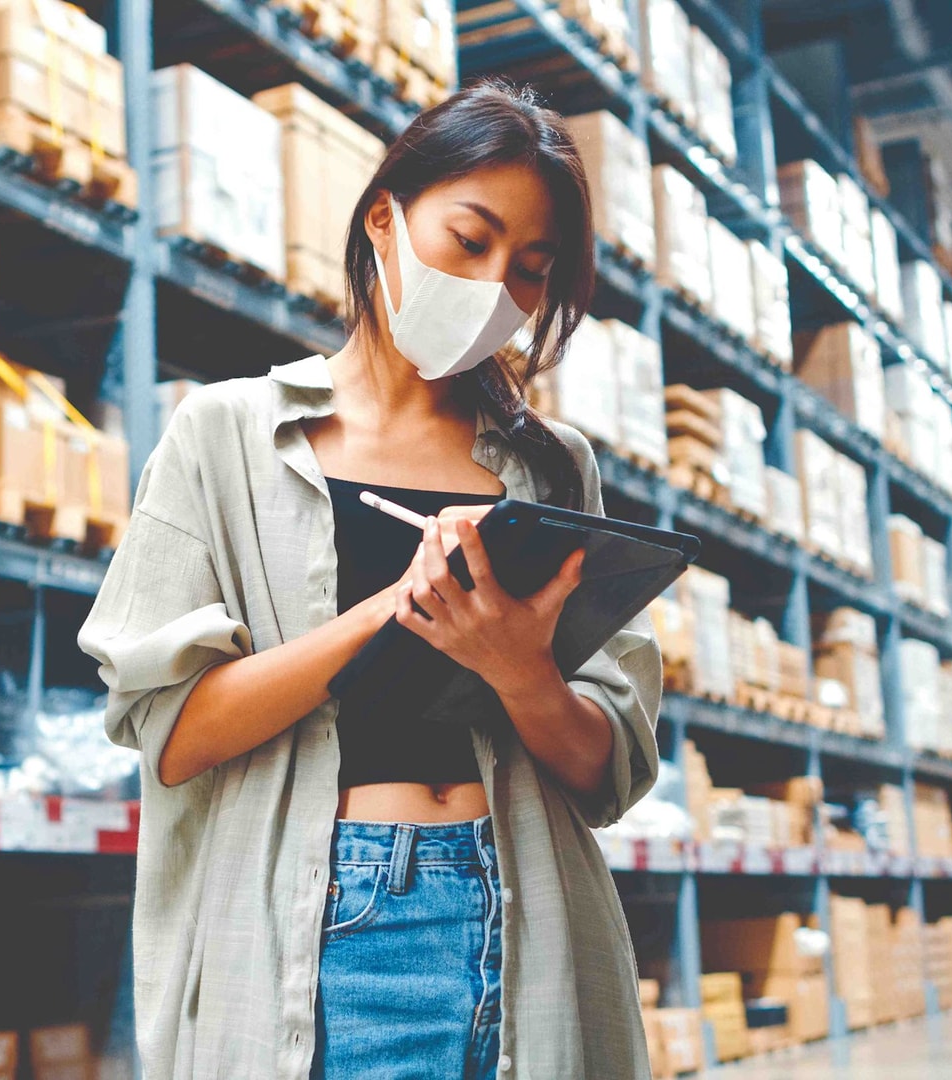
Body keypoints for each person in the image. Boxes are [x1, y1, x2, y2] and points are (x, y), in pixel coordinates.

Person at [78, 81, 661, 1079]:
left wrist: (520, 668)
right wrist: (401, 608)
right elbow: (173, 735)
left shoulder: (550, 467)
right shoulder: (229, 436)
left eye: (530, 269)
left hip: (527, 909)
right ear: (384, 219)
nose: (496, 289)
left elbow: (608, 776)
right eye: (469, 241)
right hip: (338, 924)